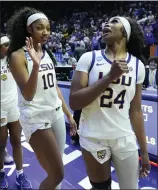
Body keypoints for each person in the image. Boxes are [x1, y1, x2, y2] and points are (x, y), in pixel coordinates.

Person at [69, 16, 151, 189]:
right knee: (101, 187)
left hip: (124, 137)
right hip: (93, 137)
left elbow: (135, 111)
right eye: (105, 22)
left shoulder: (138, 66)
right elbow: (74, 102)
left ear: (125, 32)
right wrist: (109, 77)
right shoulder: (89, 58)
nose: (106, 24)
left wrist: (144, 152)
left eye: (114, 21)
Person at [7, 7, 77, 190]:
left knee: (56, 171)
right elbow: (28, 95)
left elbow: (54, 88)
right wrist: (36, 65)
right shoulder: (17, 56)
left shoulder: (48, 54)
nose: (46, 32)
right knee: (58, 174)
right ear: (29, 29)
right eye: (40, 28)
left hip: (55, 114)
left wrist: (69, 115)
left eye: (48, 28)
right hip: (35, 116)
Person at [0, 34, 32, 189]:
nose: (8, 47)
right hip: (0, 108)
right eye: (5, 44)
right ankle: (1, 174)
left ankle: (20, 174)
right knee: (1, 144)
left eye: (9, 44)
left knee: (17, 142)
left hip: (14, 106)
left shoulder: (14, 60)